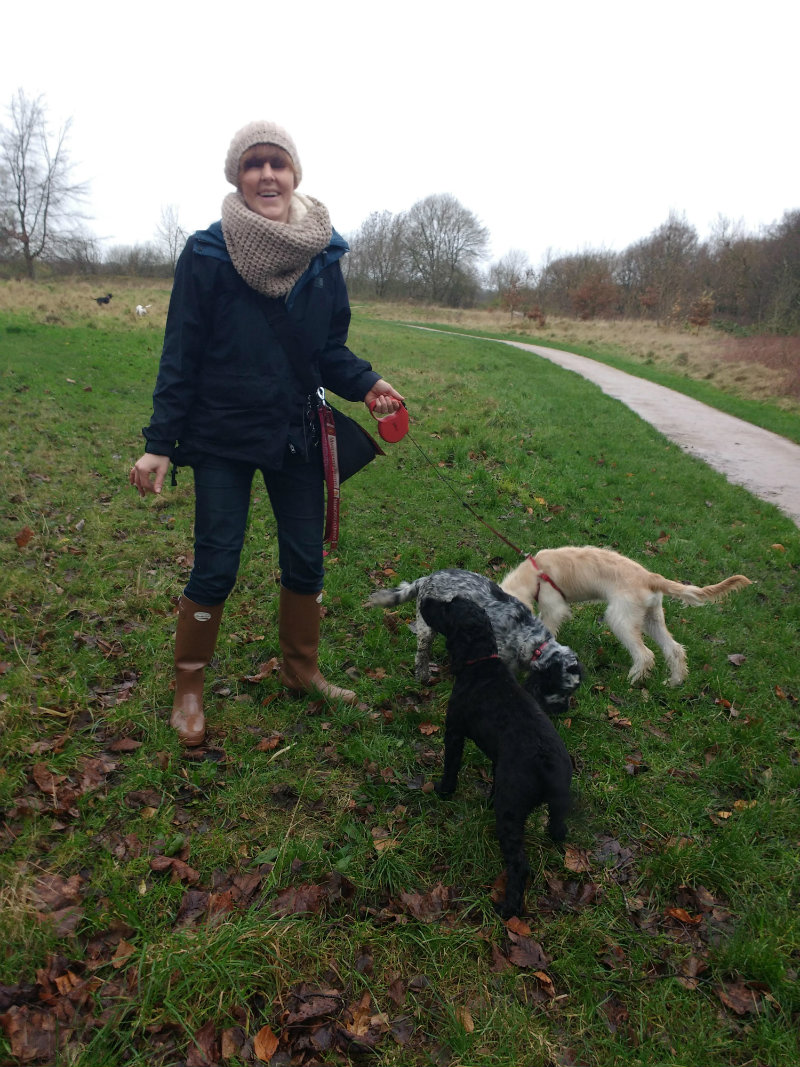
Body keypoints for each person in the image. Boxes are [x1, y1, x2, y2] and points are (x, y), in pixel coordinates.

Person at [130, 120, 404, 747]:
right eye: (253, 164)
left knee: (305, 556)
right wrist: (159, 443)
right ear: (238, 176)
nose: (267, 175)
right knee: (217, 563)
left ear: (294, 173)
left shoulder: (323, 255)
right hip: (221, 434)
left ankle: (300, 669)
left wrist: (366, 383)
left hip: (295, 431)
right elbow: (180, 354)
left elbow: (326, 349)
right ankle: (189, 686)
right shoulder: (207, 253)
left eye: (277, 163)